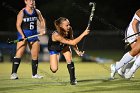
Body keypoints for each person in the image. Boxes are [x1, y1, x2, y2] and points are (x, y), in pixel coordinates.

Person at [48, 17, 90, 85]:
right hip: (54, 49)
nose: (69, 26)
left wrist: (77, 51)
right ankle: (55, 58)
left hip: (64, 46)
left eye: (69, 24)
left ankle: (73, 79)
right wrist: (83, 34)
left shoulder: (69, 29)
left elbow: (72, 39)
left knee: (69, 60)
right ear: (61, 26)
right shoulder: (56, 35)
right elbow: (73, 42)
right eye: (66, 25)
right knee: (54, 69)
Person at [10, 0, 46, 79]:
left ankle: (34, 74)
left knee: (35, 55)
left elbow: (42, 20)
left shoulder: (37, 11)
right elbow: (18, 25)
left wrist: (42, 29)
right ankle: (13, 74)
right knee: (19, 54)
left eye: (33, 0)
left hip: (34, 35)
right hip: (23, 35)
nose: (31, 2)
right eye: (29, 0)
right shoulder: (22, 12)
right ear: (25, 2)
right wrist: (22, 35)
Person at [110, 9, 140, 79]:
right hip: (133, 32)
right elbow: (134, 24)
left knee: (136, 53)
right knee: (136, 52)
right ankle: (121, 69)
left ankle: (121, 69)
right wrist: (137, 36)